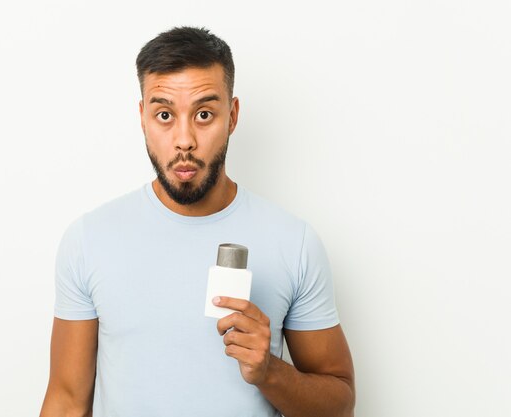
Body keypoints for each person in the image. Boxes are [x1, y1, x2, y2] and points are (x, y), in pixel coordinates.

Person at [39, 26, 355, 417]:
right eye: (165, 115)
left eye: (204, 114)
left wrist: (269, 371)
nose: (184, 139)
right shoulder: (89, 240)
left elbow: (339, 406)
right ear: (142, 117)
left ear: (233, 116)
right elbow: (67, 401)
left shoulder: (294, 242)